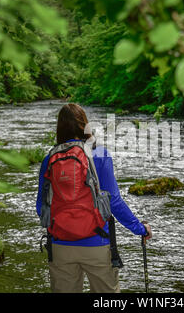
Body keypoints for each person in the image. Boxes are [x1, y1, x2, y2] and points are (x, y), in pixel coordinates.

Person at [36, 103, 152, 293]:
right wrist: (139, 228)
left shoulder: (49, 159)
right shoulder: (99, 153)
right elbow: (114, 201)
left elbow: (41, 207)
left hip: (60, 245)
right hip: (97, 242)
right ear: (85, 125)